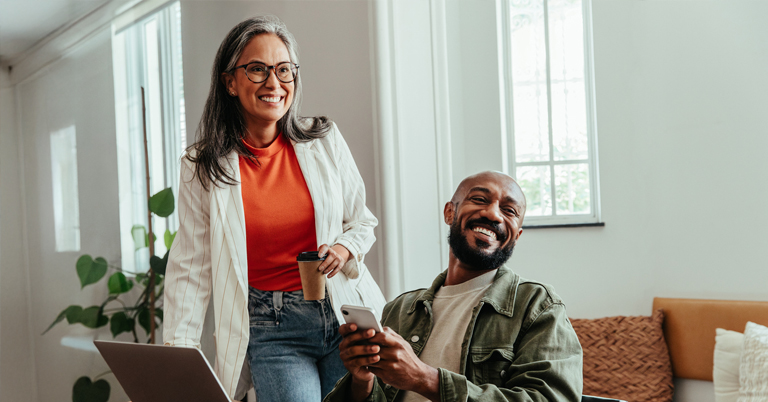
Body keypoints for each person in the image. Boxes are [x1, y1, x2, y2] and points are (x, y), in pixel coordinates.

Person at [162, 15, 386, 402]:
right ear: (230, 82)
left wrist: (344, 247)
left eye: (284, 69)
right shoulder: (202, 166)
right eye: (257, 69)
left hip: (343, 315)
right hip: (273, 328)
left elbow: (361, 222)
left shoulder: (324, 140)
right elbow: (191, 266)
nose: (273, 83)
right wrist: (179, 356)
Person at [326, 171, 583, 402]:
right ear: (450, 212)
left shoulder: (538, 306)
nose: (493, 214)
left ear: (517, 235)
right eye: (480, 199)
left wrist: (425, 379)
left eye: (509, 210)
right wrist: (362, 381)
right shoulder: (400, 309)